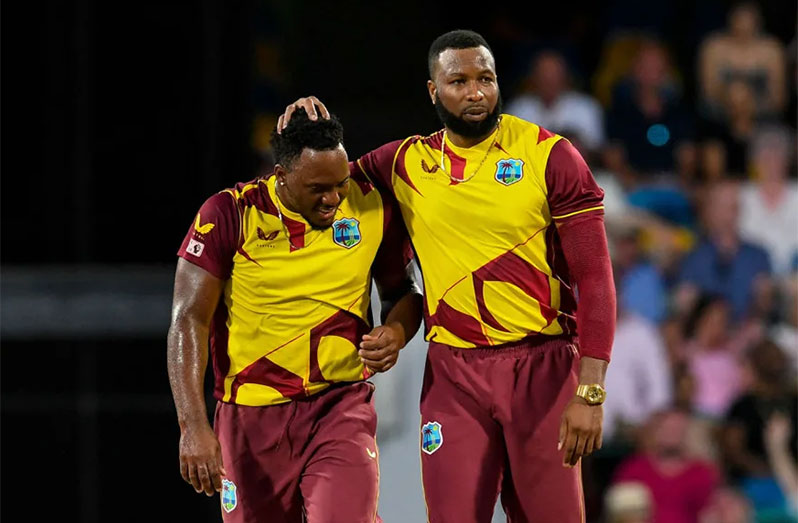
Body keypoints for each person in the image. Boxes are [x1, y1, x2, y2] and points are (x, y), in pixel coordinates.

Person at [280, 29, 616, 523]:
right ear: (434, 91)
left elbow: (597, 281)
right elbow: (322, 181)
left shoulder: (549, 156)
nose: (476, 92)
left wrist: (589, 392)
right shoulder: (404, 163)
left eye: (486, 78)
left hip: (541, 369)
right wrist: (305, 136)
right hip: (454, 377)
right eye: (459, 81)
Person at [166, 108, 422, 523]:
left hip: (339, 406)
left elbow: (402, 293)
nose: (333, 199)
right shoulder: (229, 214)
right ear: (280, 174)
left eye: (339, 184)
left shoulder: (369, 203)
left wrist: (395, 332)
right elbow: (187, 320)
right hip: (251, 417)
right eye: (318, 188)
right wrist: (192, 425)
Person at [612, 409, 720, 523]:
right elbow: (621, 512)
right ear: (656, 432)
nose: (672, 435)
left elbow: (710, 513)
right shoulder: (634, 469)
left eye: (677, 430)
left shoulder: (701, 473)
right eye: (667, 429)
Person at [505, 50, 605, 157]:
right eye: (543, 76)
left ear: (565, 77)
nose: (549, 81)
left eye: (554, 76)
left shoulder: (586, 107)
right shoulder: (518, 109)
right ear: (533, 78)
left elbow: (596, 149)